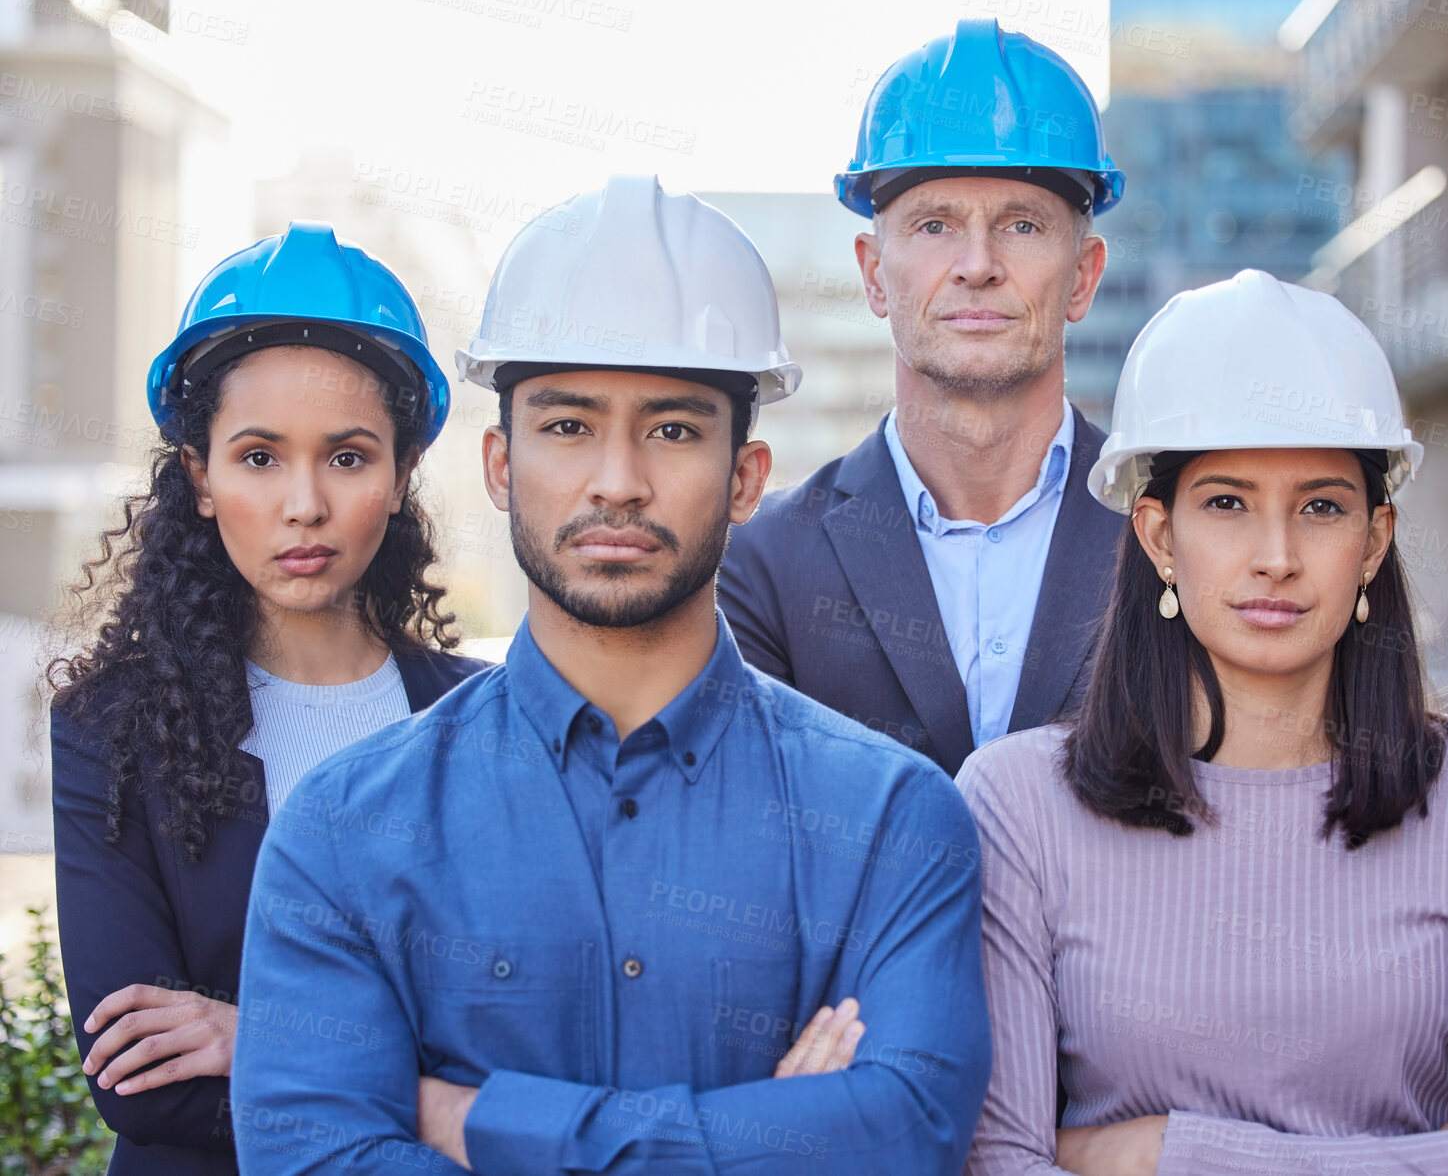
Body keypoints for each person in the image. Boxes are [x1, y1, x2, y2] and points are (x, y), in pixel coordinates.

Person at [231, 176, 992, 1175]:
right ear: (500, 466)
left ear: (747, 476)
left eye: (672, 428)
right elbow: (313, 1159)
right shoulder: (343, 828)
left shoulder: (894, 819)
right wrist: (768, 1133)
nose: (617, 480)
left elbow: (900, 1133)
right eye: (567, 425)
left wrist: (489, 1123)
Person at [957, 269, 1448, 1175]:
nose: (1277, 558)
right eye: (1226, 503)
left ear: (1373, 540)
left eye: (1321, 508)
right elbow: (998, 1162)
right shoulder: (1016, 803)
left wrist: (1164, 1154)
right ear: (1158, 537)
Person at [48, 222, 487, 1176]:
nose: (303, 505)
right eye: (257, 457)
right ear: (199, 476)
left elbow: (525, 1047)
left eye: (347, 456)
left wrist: (261, 1038)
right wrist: (423, 1090)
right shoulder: (110, 727)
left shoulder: (487, 723)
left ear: (402, 473)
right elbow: (142, 1085)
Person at [720, 19, 1128, 775]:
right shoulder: (762, 564)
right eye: (935, 225)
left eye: (1022, 224)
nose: (977, 265)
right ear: (874, 274)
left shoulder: (1174, 534)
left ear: (1082, 275)